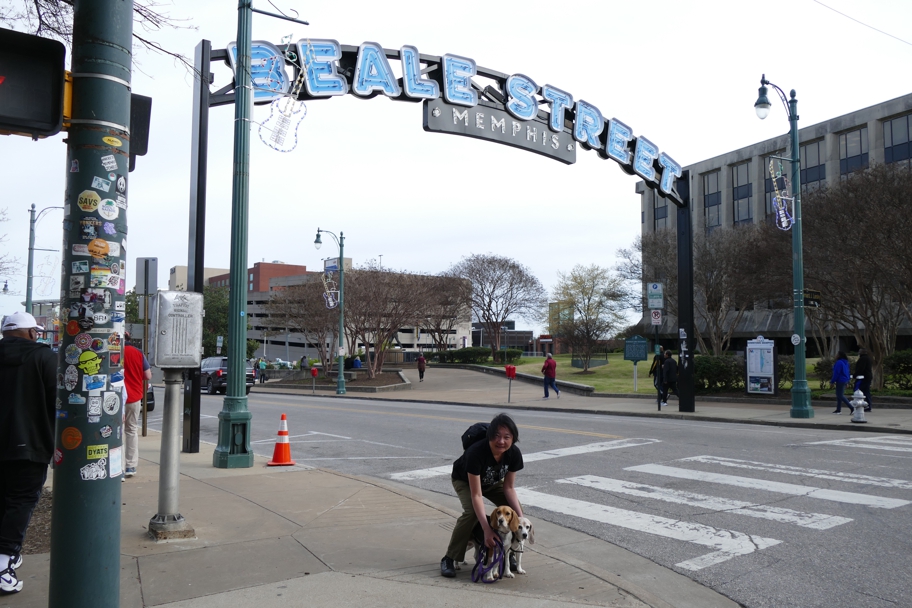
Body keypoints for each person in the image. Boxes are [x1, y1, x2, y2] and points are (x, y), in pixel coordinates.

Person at [0, 312, 56, 594]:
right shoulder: (43, 357)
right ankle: (3, 564)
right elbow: (59, 400)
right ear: (32, 333)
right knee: (20, 502)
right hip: (29, 444)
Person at [441, 413, 524, 578]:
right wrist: (487, 529)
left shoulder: (513, 453)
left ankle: (509, 554)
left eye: (506, 437)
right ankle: (449, 558)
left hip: (492, 482)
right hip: (465, 481)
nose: (501, 441)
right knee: (471, 513)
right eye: (496, 436)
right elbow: (477, 495)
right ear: (489, 436)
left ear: (513, 438)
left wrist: (520, 519)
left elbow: (508, 488)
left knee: (514, 511)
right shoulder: (476, 452)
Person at [123, 332, 152, 479]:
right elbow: (148, 376)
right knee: (131, 431)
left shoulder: (112, 352)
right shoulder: (138, 353)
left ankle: (118, 467)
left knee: (115, 432)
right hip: (134, 397)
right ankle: (130, 465)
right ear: (129, 339)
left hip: (115, 399)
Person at [853, 348, 873, 412]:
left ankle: (866, 405)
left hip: (863, 377)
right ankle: (868, 405)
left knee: (862, 391)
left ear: (862, 352)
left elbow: (861, 368)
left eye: (859, 351)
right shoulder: (868, 358)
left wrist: (855, 375)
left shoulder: (863, 359)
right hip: (867, 377)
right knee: (866, 391)